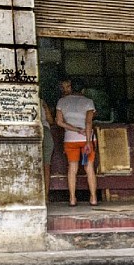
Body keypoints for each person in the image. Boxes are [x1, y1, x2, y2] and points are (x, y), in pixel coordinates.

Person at [55, 78, 98, 207]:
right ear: (84, 90)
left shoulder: (62, 102)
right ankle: (93, 198)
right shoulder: (88, 102)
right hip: (86, 139)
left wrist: (75, 130)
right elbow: (88, 122)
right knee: (89, 167)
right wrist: (88, 141)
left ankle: (72, 199)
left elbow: (59, 122)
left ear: (71, 87)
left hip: (70, 140)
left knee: (72, 168)